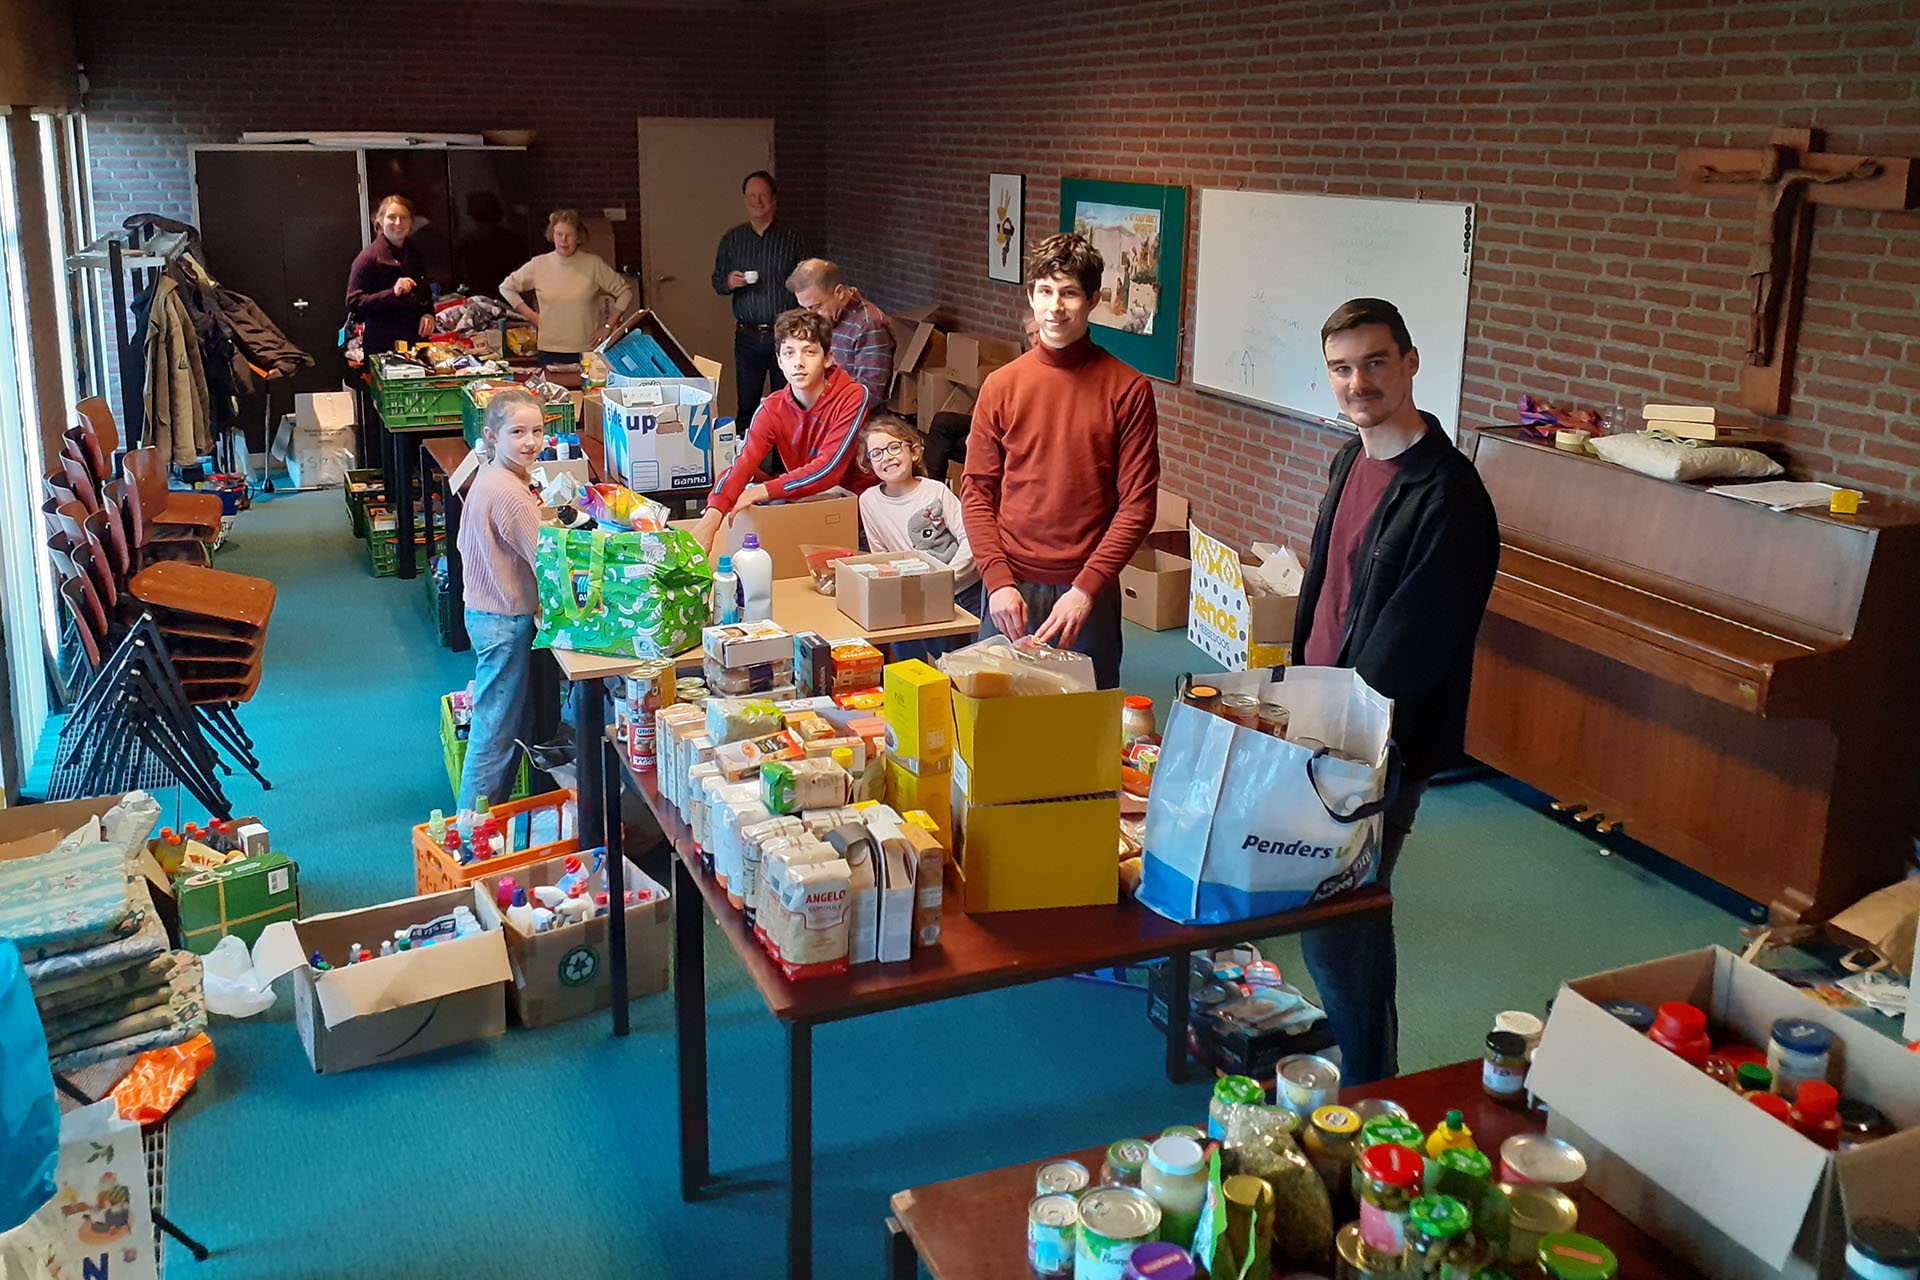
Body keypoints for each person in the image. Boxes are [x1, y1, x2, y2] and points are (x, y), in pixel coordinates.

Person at [1293, 297, 1500, 1086]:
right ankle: (1363, 1065)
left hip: (1369, 750)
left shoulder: (1447, 498)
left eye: (1375, 362)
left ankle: (1377, 1087)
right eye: (1342, 369)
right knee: (1327, 912)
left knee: (1342, 923)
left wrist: (1332, 744)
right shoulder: (1352, 459)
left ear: (1411, 362)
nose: (1358, 383)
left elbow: (1404, 657)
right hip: (1313, 719)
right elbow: (1326, 592)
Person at [960, 232, 1159, 690]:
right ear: (1031, 295)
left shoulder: (1127, 389)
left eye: (1069, 293)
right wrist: (996, 579)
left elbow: (1138, 506)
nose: (1055, 308)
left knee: (1083, 731)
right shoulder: (1001, 385)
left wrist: (1088, 587)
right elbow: (976, 492)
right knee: (996, 727)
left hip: (1087, 592)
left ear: (1093, 300)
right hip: (1010, 588)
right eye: (1045, 292)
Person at [690, 309, 875, 552]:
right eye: (789, 353)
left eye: (809, 352)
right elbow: (742, 465)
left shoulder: (853, 396)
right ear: (779, 361)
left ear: (828, 358)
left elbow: (828, 469)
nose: (798, 362)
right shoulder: (772, 407)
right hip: (807, 504)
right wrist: (711, 519)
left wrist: (761, 490)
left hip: (858, 515)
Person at [456, 388, 549, 813]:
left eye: (537, 430)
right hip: (504, 618)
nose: (530, 441)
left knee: (504, 719)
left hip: (483, 610)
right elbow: (544, 560)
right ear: (492, 436)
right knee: (495, 729)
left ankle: (489, 815)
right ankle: (471, 824)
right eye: (517, 432)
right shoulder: (512, 494)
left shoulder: (490, 478)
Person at [857, 414, 981, 659]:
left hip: (964, 590)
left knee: (965, 661)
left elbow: (970, 539)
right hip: (917, 595)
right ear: (868, 464)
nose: (887, 457)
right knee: (916, 659)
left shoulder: (936, 491)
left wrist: (944, 579)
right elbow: (881, 556)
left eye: (894, 447)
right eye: (877, 453)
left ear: (913, 452)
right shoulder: (868, 501)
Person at [711, 171, 807, 433]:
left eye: (763, 195)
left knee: (788, 405)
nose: (757, 201)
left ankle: (784, 469)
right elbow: (717, 281)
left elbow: (809, 281)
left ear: (774, 200)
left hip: (786, 336)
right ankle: (746, 465)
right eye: (752, 196)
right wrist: (729, 282)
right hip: (748, 336)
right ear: (745, 200)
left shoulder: (793, 239)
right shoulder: (733, 240)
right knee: (747, 406)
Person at [499, 210, 634, 365]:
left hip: (586, 350)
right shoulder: (538, 265)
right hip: (549, 350)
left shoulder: (593, 265)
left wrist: (608, 327)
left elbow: (625, 292)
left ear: (578, 237)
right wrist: (531, 316)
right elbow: (506, 288)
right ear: (552, 235)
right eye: (559, 234)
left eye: (569, 235)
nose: (563, 240)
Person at [788, 258, 895, 404]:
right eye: (805, 308)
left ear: (840, 292)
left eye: (816, 306)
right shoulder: (827, 318)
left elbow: (870, 395)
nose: (811, 315)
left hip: (853, 421)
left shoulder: (869, 324)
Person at [345, 194, 434, 355]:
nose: (398, 223)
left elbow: (425, 294)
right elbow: (353, 302)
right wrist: (392, 293)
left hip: (416, 345)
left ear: (411, 222)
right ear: (379, 220)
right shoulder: (368, 258)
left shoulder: (415, 255)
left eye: (404, 217)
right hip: (383, 348)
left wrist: (428, 314)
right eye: (392, 217)